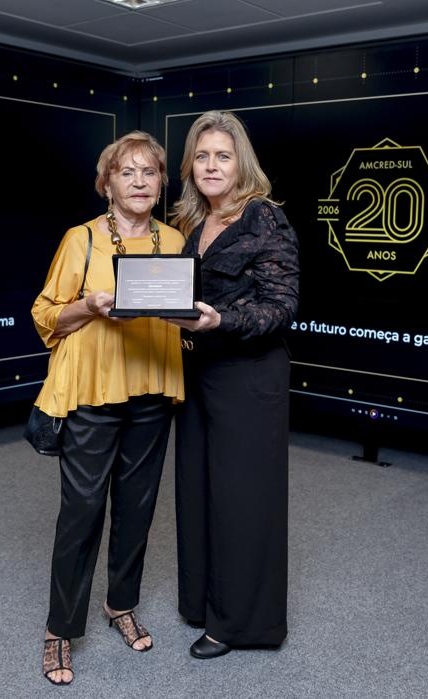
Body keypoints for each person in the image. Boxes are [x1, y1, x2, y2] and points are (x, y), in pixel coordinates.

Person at [31, 131, 185, 685]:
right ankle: (59, 628)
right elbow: (46, 314)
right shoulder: (83, 240)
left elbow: (180, 311)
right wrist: (91, 306)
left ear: (161, 183)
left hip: (152, 388)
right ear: (107, 184)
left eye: (150, 172)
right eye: (127, 172)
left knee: (138, 509)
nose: (139, 181)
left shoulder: (174, 239)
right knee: (82, 511)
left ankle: (121, 603)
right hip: (93, 391)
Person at [167, 110, 299, 659]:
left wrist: (222, 320)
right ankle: (203, 603)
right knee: (199, 491)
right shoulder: (194, 223)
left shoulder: (263, 217)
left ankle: (241, 624)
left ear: (241, 161)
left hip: (248, 375)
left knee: (241, 500)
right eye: (202, 156)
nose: (211, 165)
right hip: (198, 372)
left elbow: (281, 306)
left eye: (223, 155)